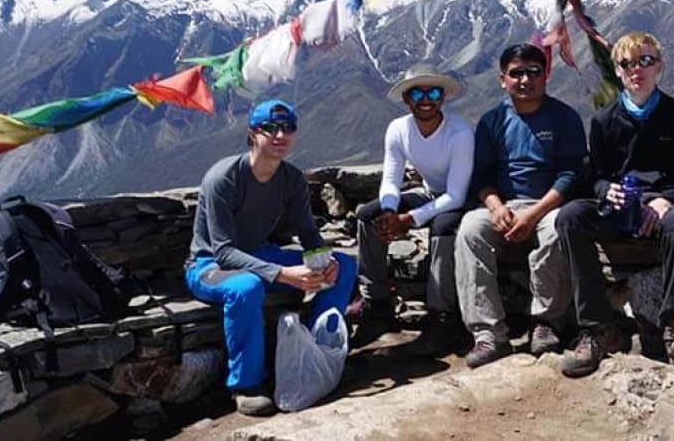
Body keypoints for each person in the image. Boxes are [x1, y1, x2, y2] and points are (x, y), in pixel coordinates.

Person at [556, 32, 674, 377]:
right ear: (617, 70)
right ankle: (597, 329)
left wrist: (667, 200)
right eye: (627, 63)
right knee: (571, 216)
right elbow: (596, 177)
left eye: (645, 60)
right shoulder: (604, 121)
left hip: (664, 205)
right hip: (622, 207)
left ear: (659, 66)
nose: (637, 69)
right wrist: (607, 192)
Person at [185, 100, 357, 417]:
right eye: (270, 128)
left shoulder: (290, 179)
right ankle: (246, 385)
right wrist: (283, 274)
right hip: (209, 266)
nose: (280, 135)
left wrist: (323, 260)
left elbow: (307, 230)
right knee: (246, 287)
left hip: (258, 254)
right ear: (253, 132)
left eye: (288, 128)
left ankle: (321, 351)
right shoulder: (223, 178)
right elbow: (222, 251)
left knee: (345, 265)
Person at [455, 43, 584, 368]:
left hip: (547, 205)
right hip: (504, 205)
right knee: (470, 229)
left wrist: (533, 213)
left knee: (557, 229)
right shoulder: (492, 121)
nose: (525, 80)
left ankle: (546, 323)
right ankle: (489, 335)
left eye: (533, 72)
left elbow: (571, 175)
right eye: (516, 73)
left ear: (546, 75)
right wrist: (496, 207)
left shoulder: (564, 118)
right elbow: (482, 176)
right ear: (503, 79)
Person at [352, 64, 474, 353]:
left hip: (465, 197)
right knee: (368, 217)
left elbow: (456, 195)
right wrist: (389, 210)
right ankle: (377, 302)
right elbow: (391, 179)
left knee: (444, 227)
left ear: (443, 97)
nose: (425, 99)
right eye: (416, 93)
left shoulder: (460, 133)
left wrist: (410, 219)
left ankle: (442, 316)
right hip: (430, 192)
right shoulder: (398, 129)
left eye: (433, 91)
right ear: (406, 99)